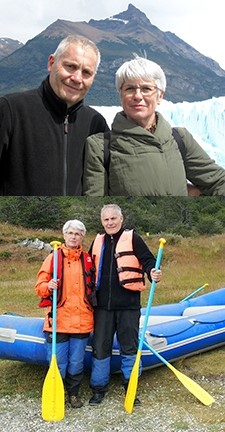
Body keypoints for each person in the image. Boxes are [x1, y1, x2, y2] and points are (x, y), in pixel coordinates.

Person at [83, 56, 225, 196]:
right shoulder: (100, 147)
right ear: (121, 94)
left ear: (160, 96)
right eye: (130, 88)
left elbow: (217, 181)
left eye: (146, 88)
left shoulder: (180, 139)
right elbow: (95, 201)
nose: (138, 96)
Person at [0, 34, 109, 195]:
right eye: (70, 66)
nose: (77, 78)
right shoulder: (11, 110)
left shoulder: (96, 124)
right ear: (51, 63)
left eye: (86, 72)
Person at [88, 204, 162, 406]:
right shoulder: (97, 240)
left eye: (113, 218)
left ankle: (131, 387)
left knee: (129, 346)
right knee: (100, 347)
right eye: (106, 219)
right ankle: (98, 388)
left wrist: (152, 272)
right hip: (102, 306)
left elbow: (148, 261)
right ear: (102, 221)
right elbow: (86, 267)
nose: (110, 222)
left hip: (128, 305)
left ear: (121, 219)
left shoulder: (133, 238)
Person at [35, 219, 96, 408]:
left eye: (77, 233)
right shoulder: (53, 258)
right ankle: (57, 394)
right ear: (64, 235)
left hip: (82, 320)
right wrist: (48, 286)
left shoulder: (88, 259)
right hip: (58, 320)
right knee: (58, 362)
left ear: (82, 237)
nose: (73, 236)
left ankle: (73, 395)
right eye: (70, 233)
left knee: (76, 362)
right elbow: (39, 286)